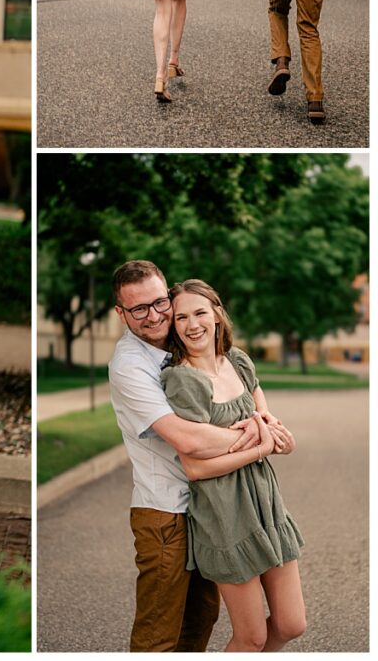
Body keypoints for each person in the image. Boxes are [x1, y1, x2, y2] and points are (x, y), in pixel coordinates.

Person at [109, 259, 266, 651]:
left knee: (199, 625)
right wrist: (257, 435)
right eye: (138, 309)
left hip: (207, 508)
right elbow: (188, 440)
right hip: (166, 514)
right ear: (121, 314)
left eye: (160, 303)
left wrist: (256, 422)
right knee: (159, 635)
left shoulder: (184, 348)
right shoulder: (129, 365)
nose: (153, 315)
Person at [163, 279, 305, 652]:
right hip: (223, 513)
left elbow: (269, 422)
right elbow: (194, 468)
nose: (192, 324)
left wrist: (280, 441)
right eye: (181, 317)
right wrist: (259, 449)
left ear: (217, 314)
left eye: (199, 313)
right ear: (173, 325)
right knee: (251, 637)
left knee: (291, 624)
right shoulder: (182, 381)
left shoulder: (239, 362)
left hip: (265, 503)